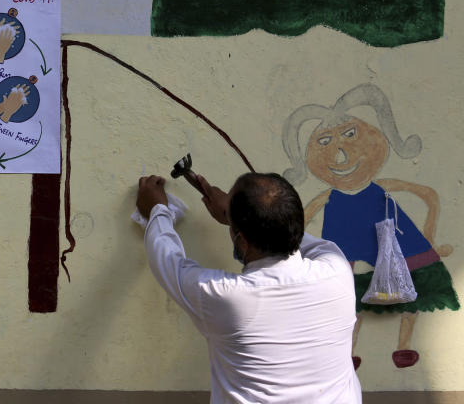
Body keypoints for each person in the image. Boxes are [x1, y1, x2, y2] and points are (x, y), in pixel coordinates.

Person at [136, 172, 361, 403]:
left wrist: (157, 210)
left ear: (241, 240)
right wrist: (239, 217)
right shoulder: (338, 271)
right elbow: (299, 236)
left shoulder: (226, 297)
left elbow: (166, 259)